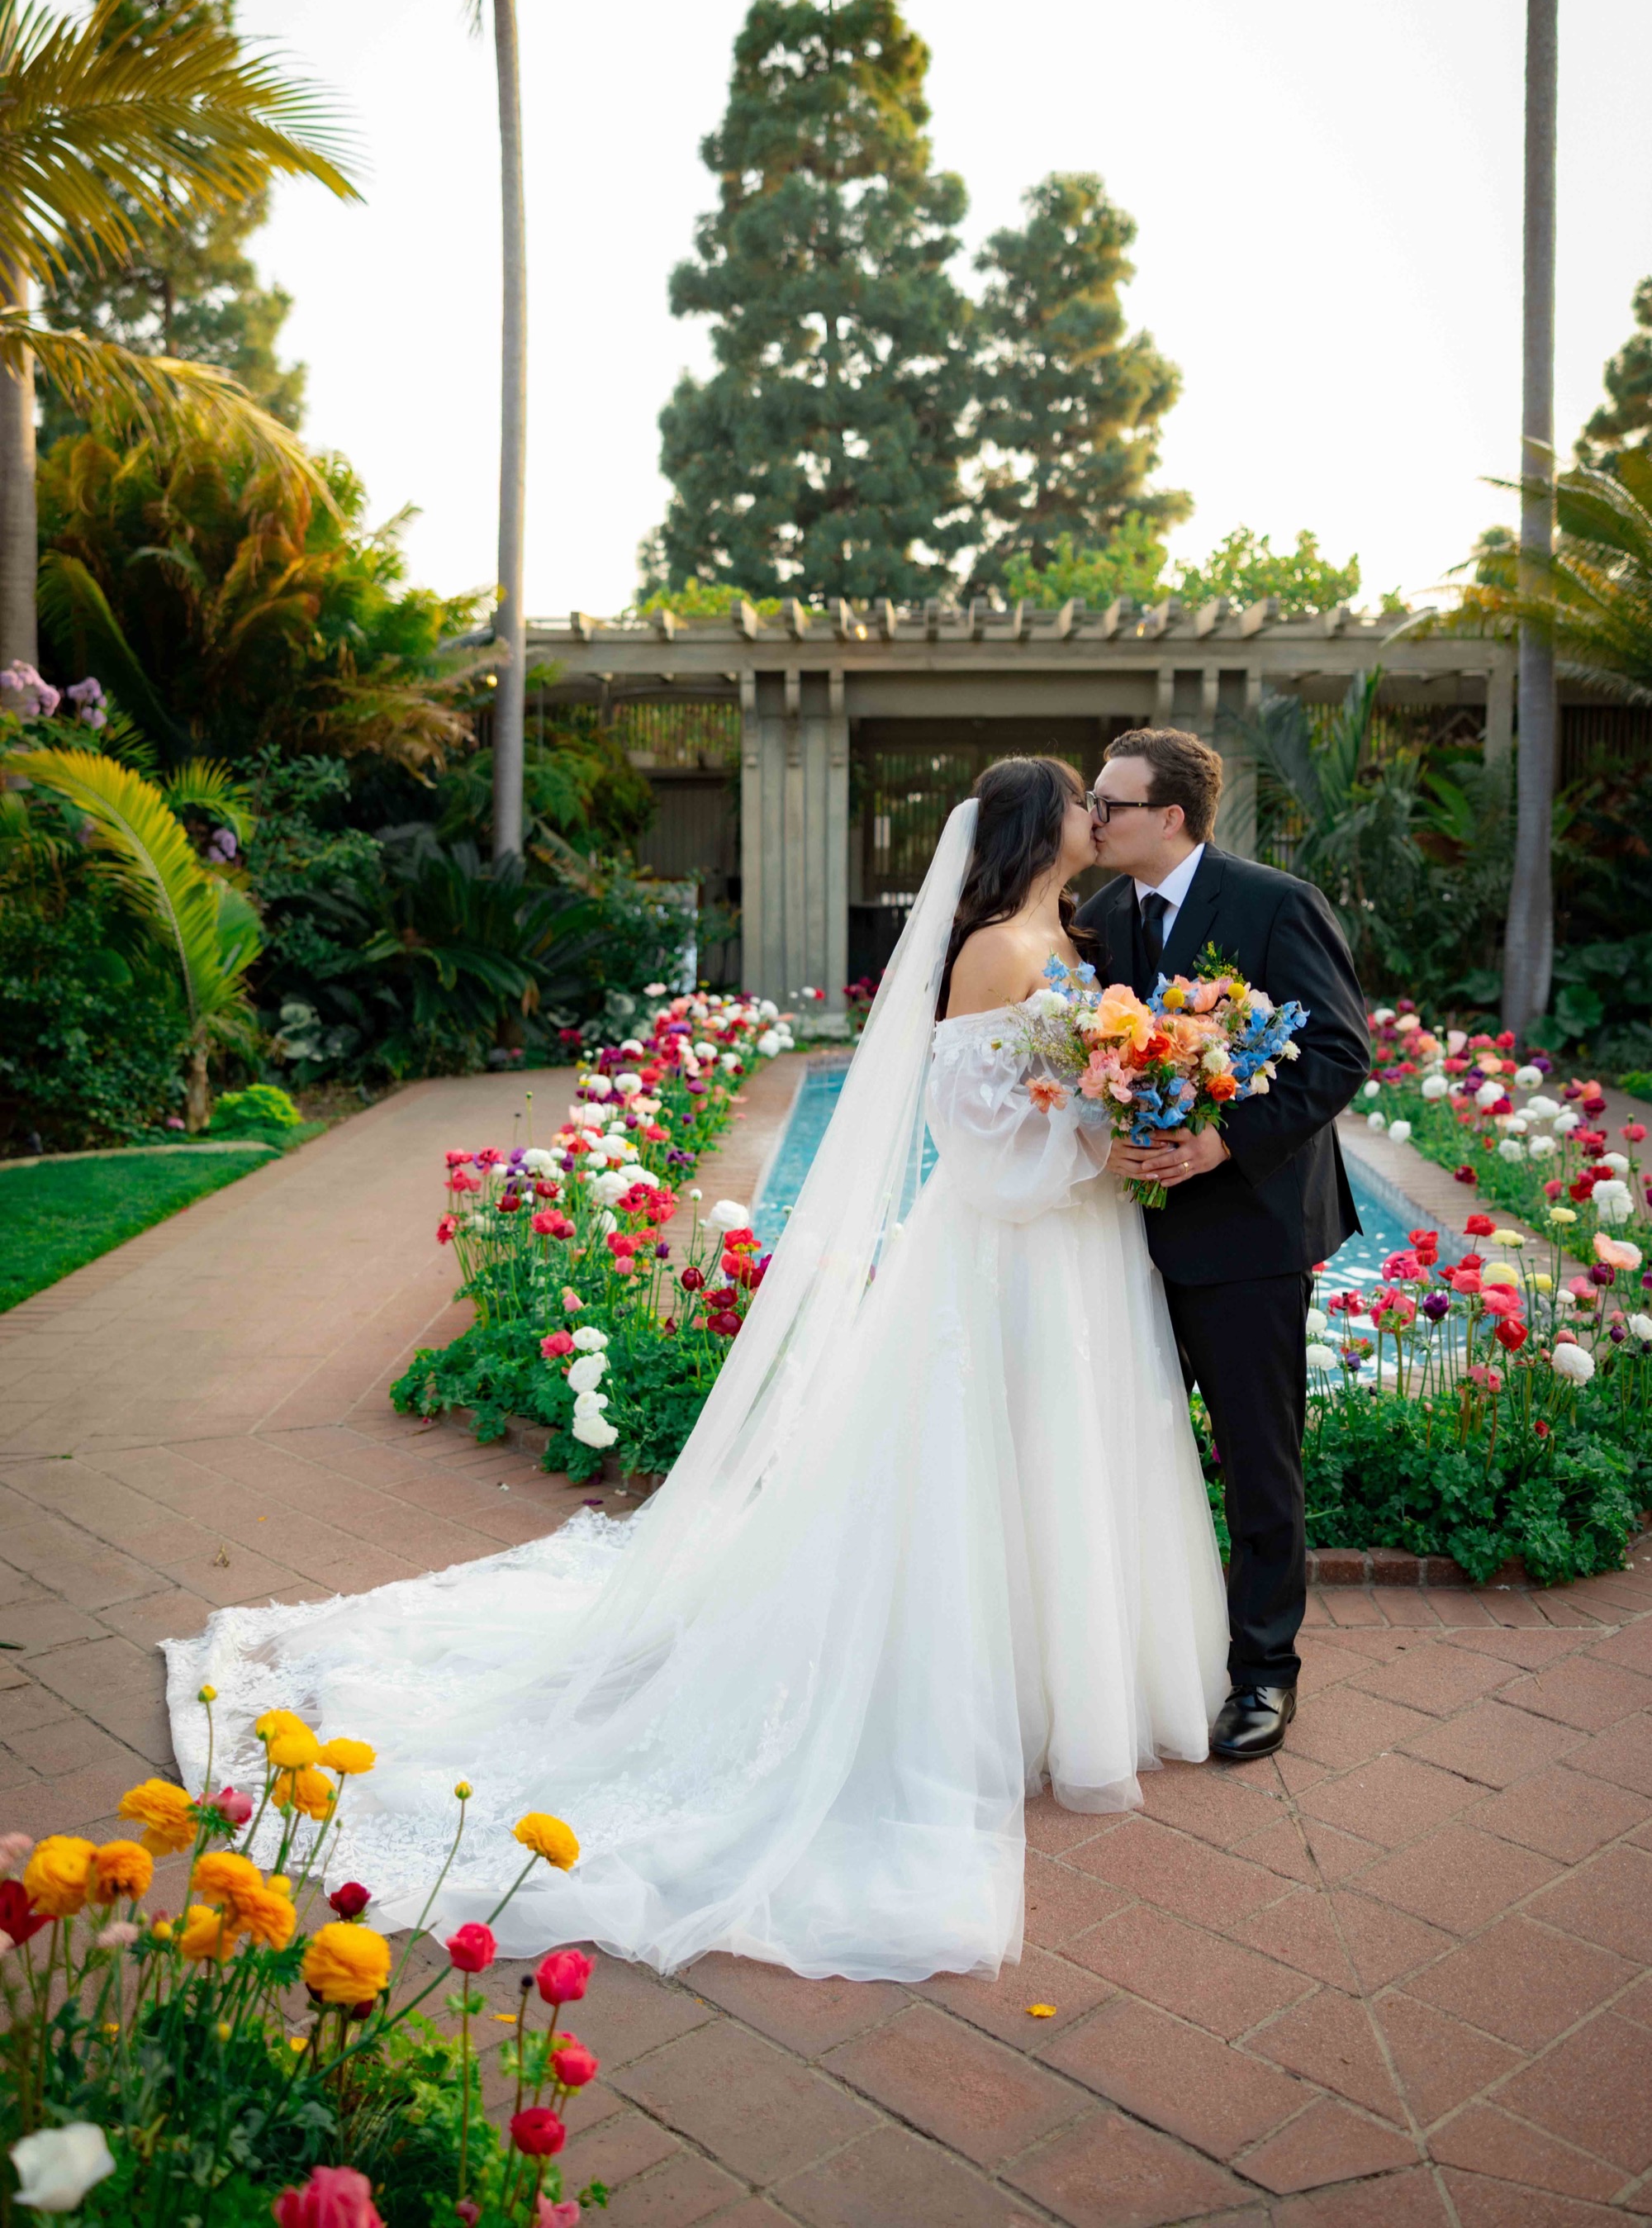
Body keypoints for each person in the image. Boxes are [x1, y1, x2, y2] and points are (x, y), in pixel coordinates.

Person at [165, 758, 1227, 1985]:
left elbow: (1061, 1093)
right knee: (981, 1467)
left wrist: (1127, 1108)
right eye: (1084, 802)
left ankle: (1070, 1686)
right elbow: (981, 1147)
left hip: (1082, 1256)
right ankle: (974, 1701)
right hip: (1013, 1253)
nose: (1102, 817)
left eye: (1115, 799)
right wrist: (1100, 1147)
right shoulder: (994, 949)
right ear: (1047, 825)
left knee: (1068, 1454)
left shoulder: (1075, 931)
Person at [1075, 727, 1370, 1759]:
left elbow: (1337, 1051)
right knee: (1131, 1454)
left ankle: (1262, 1673)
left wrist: (1219, 1142)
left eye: (1109, 802)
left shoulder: (1274, 903)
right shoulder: (1097, 919)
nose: (1092, 816)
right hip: (1117, 1241)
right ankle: (1151, 1653)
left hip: (1247, 1229)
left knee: (1257, 1457)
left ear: (1170, 815)